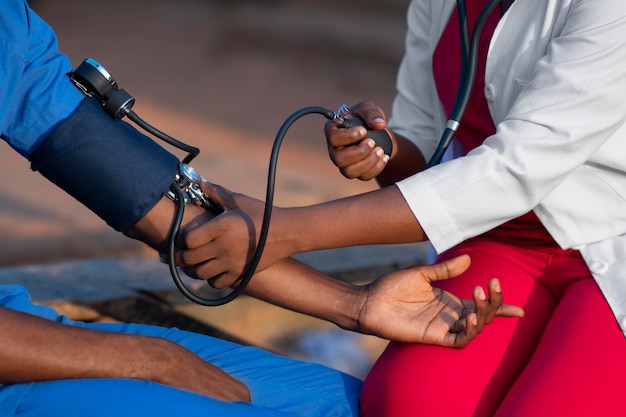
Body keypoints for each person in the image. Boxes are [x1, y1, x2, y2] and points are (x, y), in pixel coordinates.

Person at [0, 1, 523, 416]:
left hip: (22, 330)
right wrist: (149, 361)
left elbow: (97, 156)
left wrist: (353, 304)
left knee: (357, 407)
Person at [175, 0, 626, 415]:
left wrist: (282, 232)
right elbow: (429, 155)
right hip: (501, 240)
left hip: (613, 242)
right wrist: (381, 147)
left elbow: (516, 170)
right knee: (411, 402)